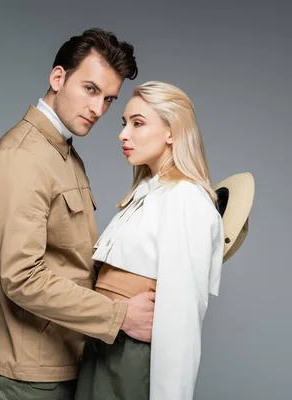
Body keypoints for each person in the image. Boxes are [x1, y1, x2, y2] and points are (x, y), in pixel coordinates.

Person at [0, 28, 157, 400]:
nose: (98, 109)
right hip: (29, 379)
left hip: (66, 362)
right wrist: (120, 315)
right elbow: (22, 277)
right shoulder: (22, 157)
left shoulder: (63, 153)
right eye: (90, 89)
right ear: (58, 78)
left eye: (108, 99)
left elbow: (71, 261)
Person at [75, 81, 229, 399]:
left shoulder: (186, 199)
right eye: (124, 123)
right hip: (103, 351)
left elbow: (181, 323)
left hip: (132, 360)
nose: (123, 134)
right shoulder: (145, 195)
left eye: (138, 123)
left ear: (172, 131)